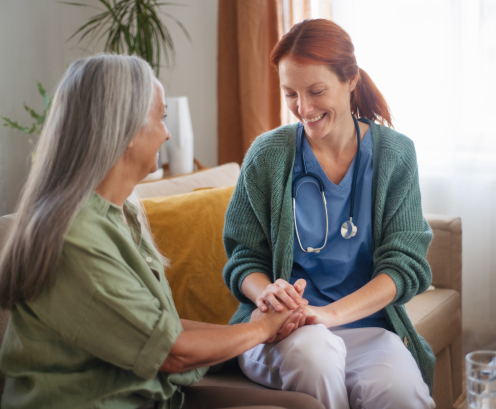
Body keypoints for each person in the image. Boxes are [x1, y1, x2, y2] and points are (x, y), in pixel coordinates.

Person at [0, 54, 315, 409]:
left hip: (152, 393)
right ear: (125, 130)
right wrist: (260, 329)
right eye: (160, 117)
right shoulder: (75, 236)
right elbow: (171, 353)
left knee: (305, 405)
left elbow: (161, 327)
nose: (167, 132)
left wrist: (261, 323)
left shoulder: (118, 215)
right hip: (101, 401)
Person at [223, 19, 436, 409]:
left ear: (350, 79)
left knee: (401, 391)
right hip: (283, 332)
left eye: (316, 91)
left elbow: (405, 266)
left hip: (365, 327)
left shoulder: (395, 154)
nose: (303, 109)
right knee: (315, 356)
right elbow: (243, 258)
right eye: (291, 94)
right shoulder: (268, 155)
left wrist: (327, 314)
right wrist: (266, 292)